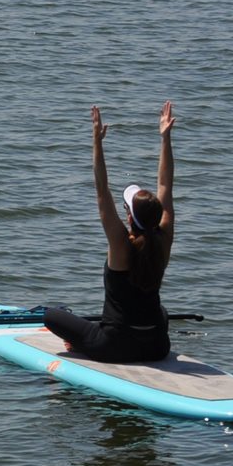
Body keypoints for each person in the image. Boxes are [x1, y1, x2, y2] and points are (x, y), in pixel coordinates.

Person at [42, 103, 176, 363]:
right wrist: (165, 137)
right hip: (158, 345)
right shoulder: (164, 239)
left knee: (50, 315)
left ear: (128, 216)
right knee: (160, 311)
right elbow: (165, 185)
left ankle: (81, 345)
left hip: (114, 347)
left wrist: (97, 142)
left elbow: (102, 192)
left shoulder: (120, 244)